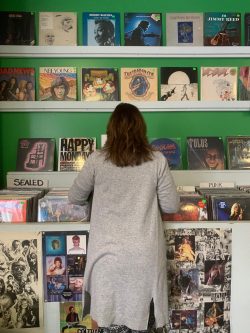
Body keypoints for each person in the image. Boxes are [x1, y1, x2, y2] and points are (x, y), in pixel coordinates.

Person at [68, 102, 179, 332]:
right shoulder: (157, 160)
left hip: (106, 259)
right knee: (142, 324)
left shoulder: (97, 160)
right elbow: (171, 205)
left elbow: (75, 197)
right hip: (144, 259)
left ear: (111, 129)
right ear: (141, 129)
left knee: (105, 321)